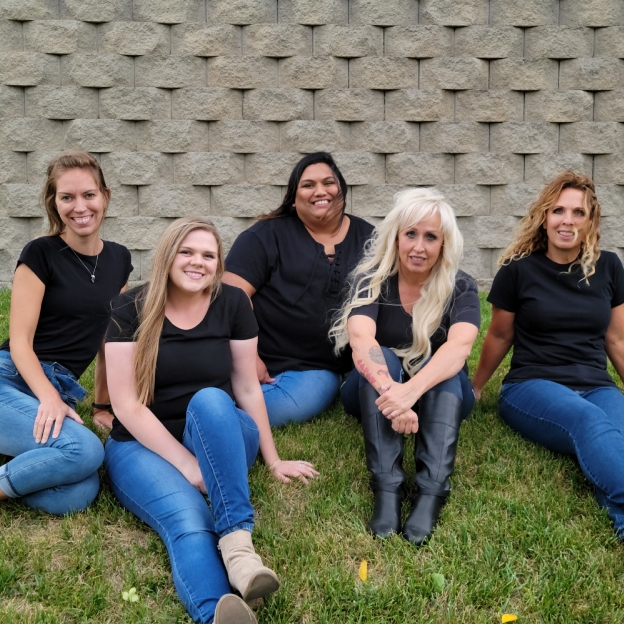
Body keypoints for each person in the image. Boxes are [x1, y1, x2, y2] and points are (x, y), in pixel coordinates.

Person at [104, 217, 318, 624]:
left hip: (219, 430)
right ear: (168, 255)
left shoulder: (233, 302)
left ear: (219, 263)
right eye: (186, 251)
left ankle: (238, 549)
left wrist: (272, 460)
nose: (196, 262)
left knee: (211, 401)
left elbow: (248, 388)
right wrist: (187, 465)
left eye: (208, 254)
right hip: (141, 444)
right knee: (189, 519)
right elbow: (126, 406)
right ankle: (216, 613)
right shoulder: (128, 307)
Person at [472, 171, 624, 538]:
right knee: (588, 422)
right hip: (532, 385)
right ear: (544, 216)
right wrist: (475, 388)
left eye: (578, 213)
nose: (567, 220)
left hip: (595, 383)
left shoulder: (609, 267)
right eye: (558, 210)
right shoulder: (518, 270)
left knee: (615, 432)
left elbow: (617, 340)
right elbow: (499, 334)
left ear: (591, 222)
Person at [331, 188, 480, 544]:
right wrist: (392, 392)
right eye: (410, 233)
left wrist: (410, 392)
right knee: (379, 353)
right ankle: (387, 489)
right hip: (371, 390)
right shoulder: (371, 280)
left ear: (444, 244)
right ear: (396, 236)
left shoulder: (460, 286)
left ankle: (431, 493)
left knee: (442, 362)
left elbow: (460, 346)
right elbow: (361, 341)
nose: (419, 246)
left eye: (431, 237)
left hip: (439, 394)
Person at [0, 150, 132, 515]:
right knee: (86, 451)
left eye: (88, 194)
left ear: (105, 195)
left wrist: (104, 406)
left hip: (59, 386)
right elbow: (21, 344)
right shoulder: (40, 253)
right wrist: (48, 399)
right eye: (67, 197)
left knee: (76, 494)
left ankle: (13, 456)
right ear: (54, 203)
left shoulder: (119, 259)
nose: (80, 206)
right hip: (11, 378)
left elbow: (110, 339)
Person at [223, 152, 374, 427]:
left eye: (329, 182)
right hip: (274, 362)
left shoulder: (370, 239)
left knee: (313, 393)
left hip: (332, 367)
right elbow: (231, 296)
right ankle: (211, 415)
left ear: (341, 189)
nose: (320, 191)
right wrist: (250, 359)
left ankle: (224, 412)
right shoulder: (265, 235)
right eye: (308, 185)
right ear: (294, 198)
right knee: (289, 403)